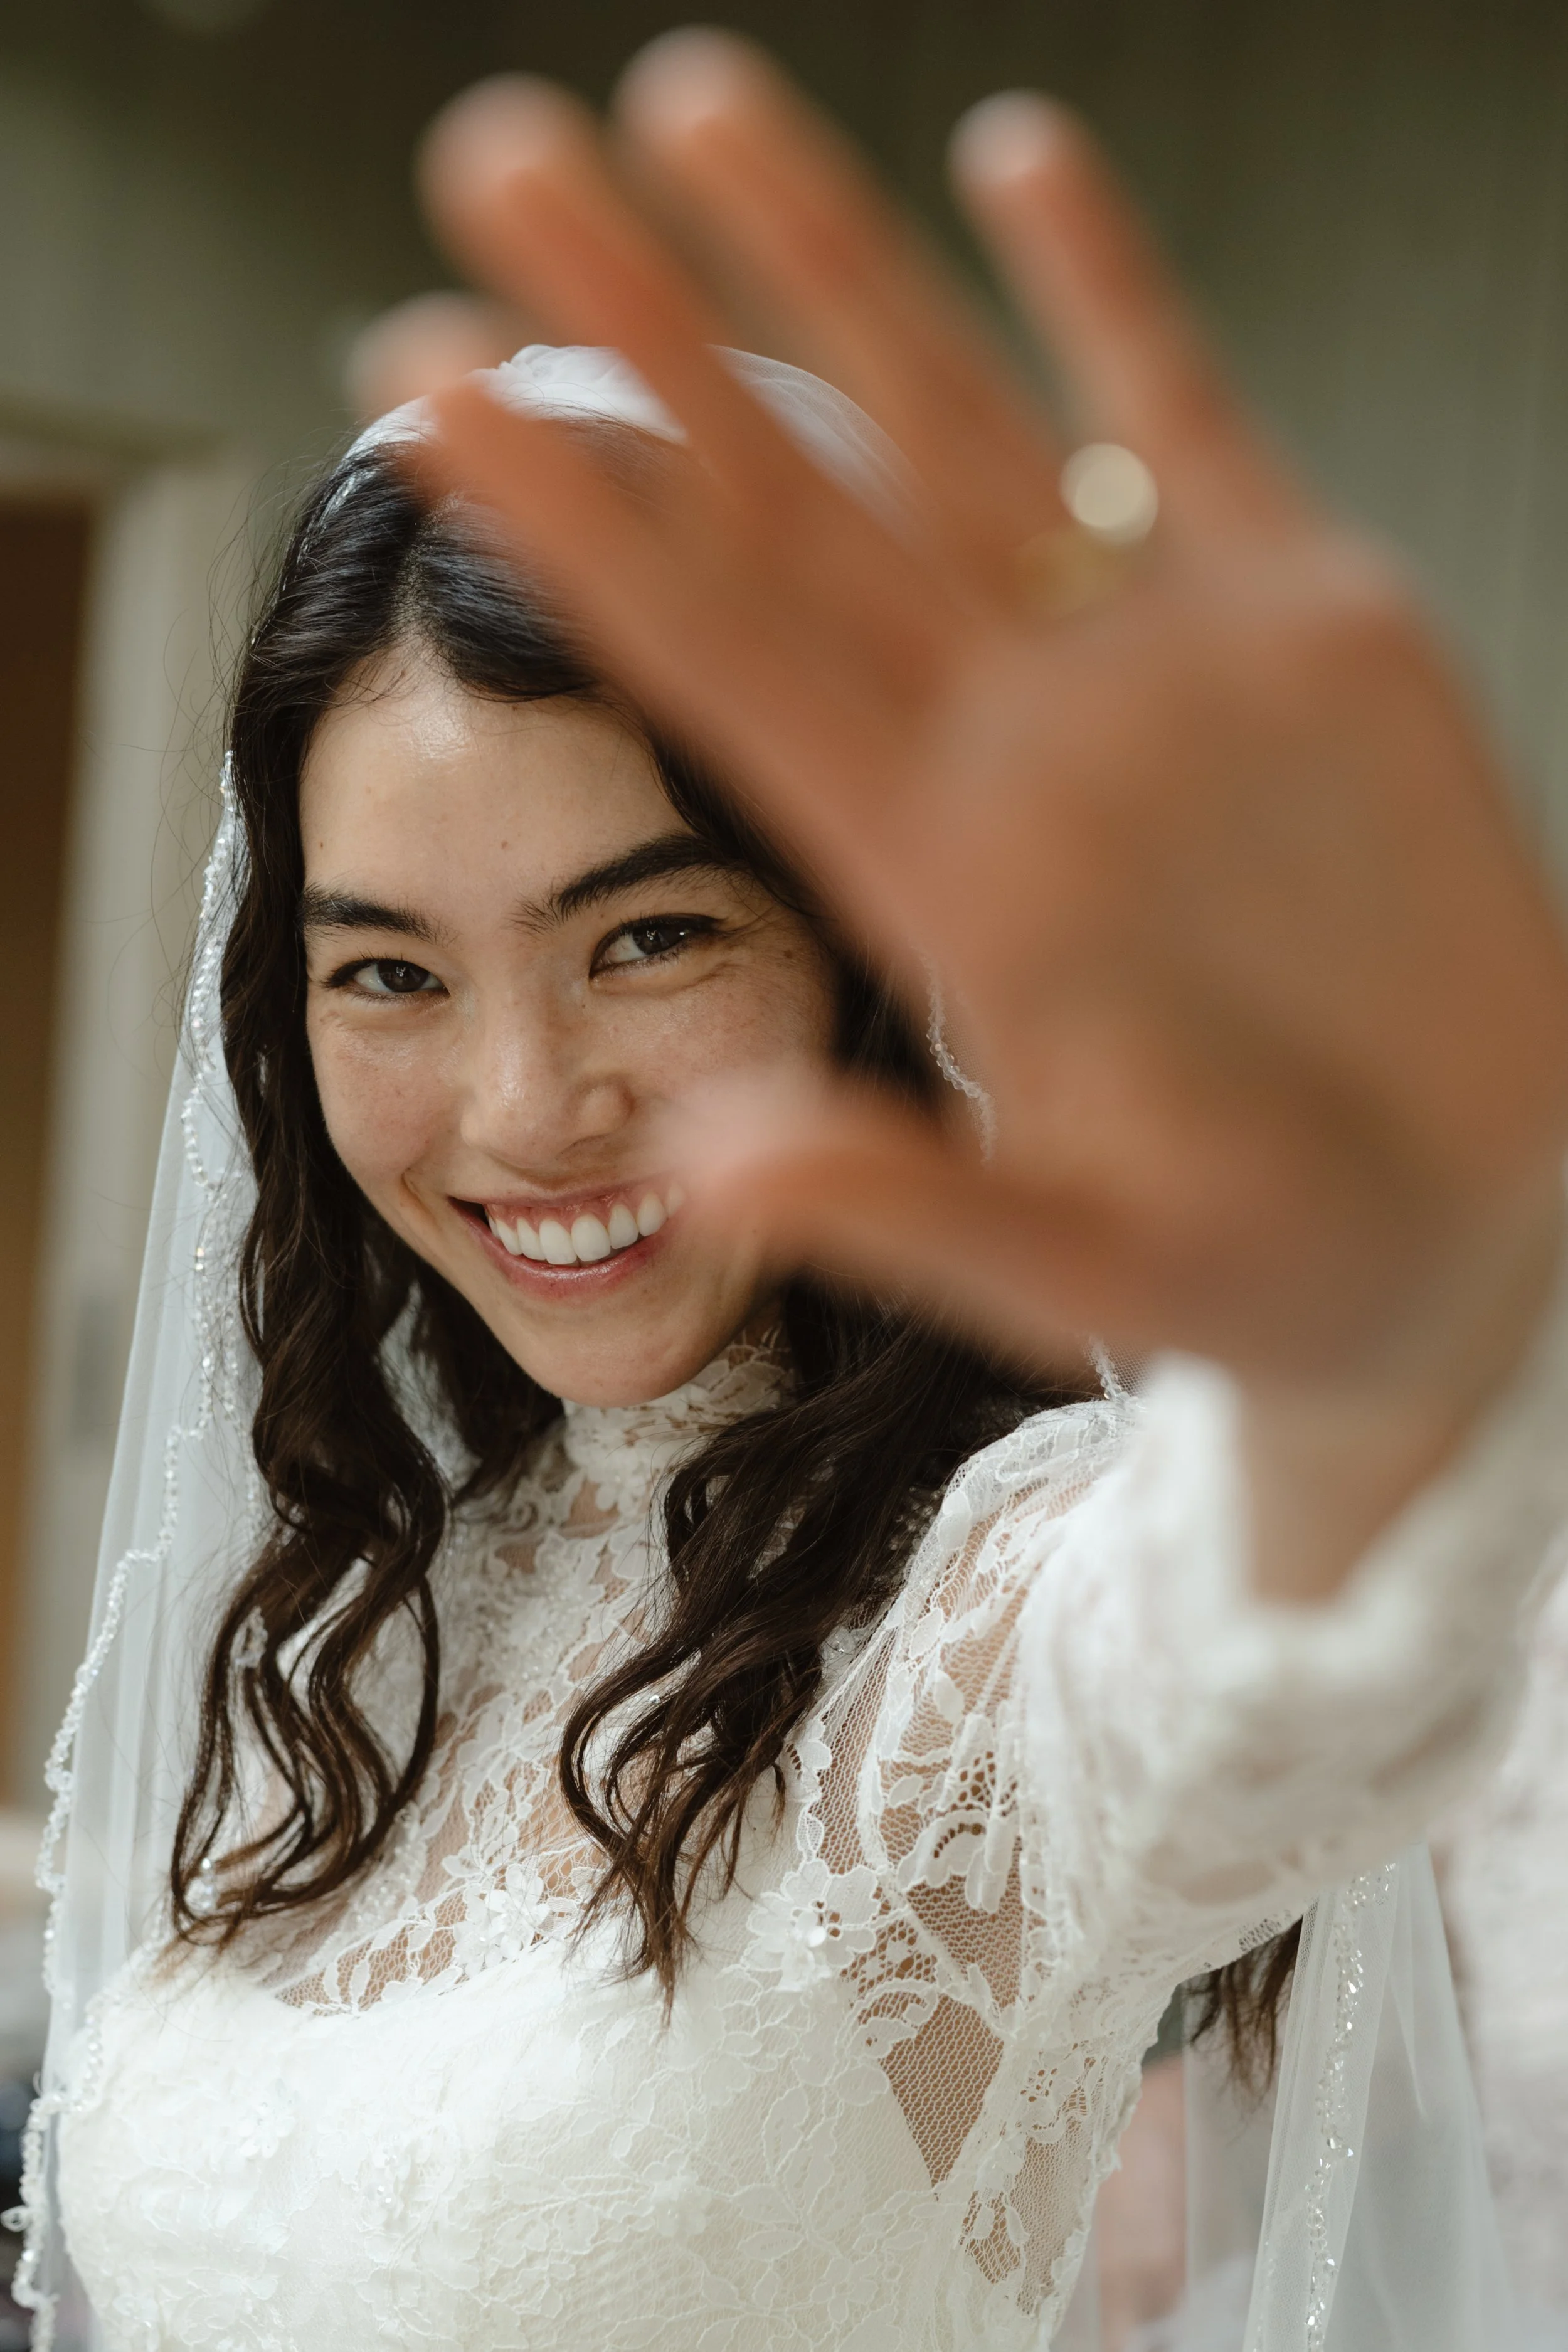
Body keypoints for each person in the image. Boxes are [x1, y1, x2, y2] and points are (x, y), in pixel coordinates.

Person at [16, 32, 1568, 2352]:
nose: (525, 1103)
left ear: (873, 951)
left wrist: (1402, 1302)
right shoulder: (355, 1624)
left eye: (649, 934)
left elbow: (1284, 1654)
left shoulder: (984, 1618)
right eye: (392, 971)